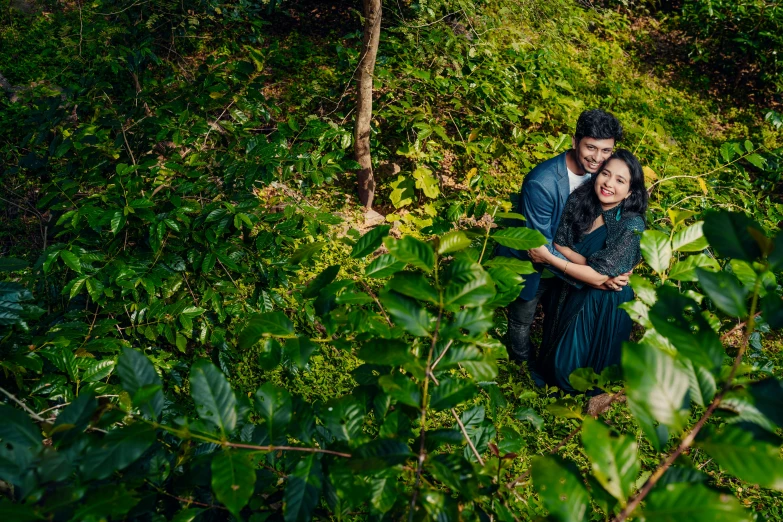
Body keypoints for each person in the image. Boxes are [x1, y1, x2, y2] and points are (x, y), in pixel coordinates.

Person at [497, 109, 628, 365]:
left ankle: (551, 359)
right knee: (523, 317)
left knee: (557, 313)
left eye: (606, 151)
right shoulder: (542, 183)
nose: (598, 158)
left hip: (569, 257)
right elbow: (538, 247)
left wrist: (617, 261)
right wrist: (596, 275)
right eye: (591, 147)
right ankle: (521, 364)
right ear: (574, 141)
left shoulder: (601, 173)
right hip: (532, 263)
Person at [526, 149, 648, 393]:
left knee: (569, 372)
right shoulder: (581, 199)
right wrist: (593, 273)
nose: (608, 184)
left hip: (607, 297)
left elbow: (594, 273)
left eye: (620, 180)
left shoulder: (631, 224)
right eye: (606, 174)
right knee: (553, 362)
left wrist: (550, 258)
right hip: (573, 284)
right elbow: (561, 243)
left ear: (631, 191)